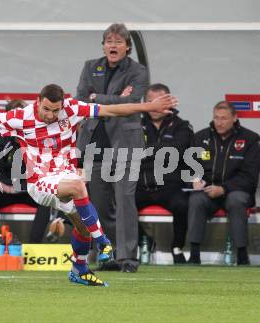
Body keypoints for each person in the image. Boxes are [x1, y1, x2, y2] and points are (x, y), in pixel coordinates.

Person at [0, 84, 177, 286]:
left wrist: (148, 107)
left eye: (56, 110)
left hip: (61, 179)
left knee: (82, 227)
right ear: (37, 102)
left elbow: (112, 110)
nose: (51, 115)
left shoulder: (72, 109)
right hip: (40, 183)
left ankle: (80, 269)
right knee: (79, 187)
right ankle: (104, 242)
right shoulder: (18, 118)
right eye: (47, 109)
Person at [76, 23, 149, 273]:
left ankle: (127, 258)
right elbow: (81, 100)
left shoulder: (138, 71)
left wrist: (99, 98)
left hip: (126, 144)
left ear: (127, 47)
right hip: (96, 141)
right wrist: (111, 99)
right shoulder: (90, 66)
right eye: (109, 41)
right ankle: (107, 255)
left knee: (125, 199)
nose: (112, 45)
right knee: (98, 203)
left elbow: (132, 101)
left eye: (118, 42)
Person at [187, 101, 260, 265]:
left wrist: (223, 189)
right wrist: (195, 179)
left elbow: (249, 177)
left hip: (236, 191)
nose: (219, 122)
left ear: (235, 118)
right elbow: (190, 165)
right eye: (216, 118)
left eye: (224, 118)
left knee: (236, 201)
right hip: (208, 190)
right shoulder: (200, 137)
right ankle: (194, 254)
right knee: (196, 199)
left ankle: (242, 255)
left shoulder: (250, 139)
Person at [135, 84, 193, 264]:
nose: (153, 105)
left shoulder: (182, 125)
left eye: (158, 101)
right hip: (141, 184)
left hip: (170, 184)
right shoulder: (135, 124)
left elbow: (177, 151)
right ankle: (143, 241)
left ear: (168, 101)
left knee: (182, 205)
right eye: (150, 101)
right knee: (120, 204)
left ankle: (176, 248)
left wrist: (148, 150)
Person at [0, 99, 52, 242]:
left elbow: (42, 171)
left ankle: (35, 246)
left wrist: (23, 187)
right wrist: (8, 187)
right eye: (15, 117)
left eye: (22, 116)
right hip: (5, 190)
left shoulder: (38, 139)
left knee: (46, 198)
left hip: (28, 190)